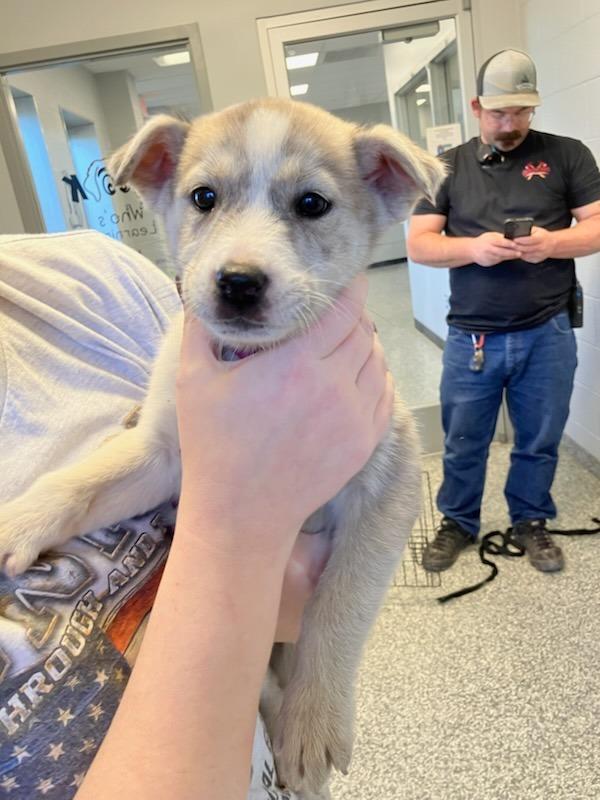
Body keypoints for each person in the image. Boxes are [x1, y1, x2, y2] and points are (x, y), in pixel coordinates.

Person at [0, 230, 393, 799]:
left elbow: (164, 454)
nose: (244, 256)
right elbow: (159, 454)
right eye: (207, 199)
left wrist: (323, 672)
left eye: (309, 207)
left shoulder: (90, 276)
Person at [407, 49, 600, 574]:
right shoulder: (447, 166)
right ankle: (458, 522)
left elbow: (596, 225)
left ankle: (530, 519)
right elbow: (420, 244)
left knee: (539, 437)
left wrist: (551, 244)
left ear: (533, 108)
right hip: (474, 337)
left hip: (548, 331)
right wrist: (474, 248)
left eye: (520, 112)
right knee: (464, 440)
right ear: (476, 106)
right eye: (498, 113)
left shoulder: (567, 156)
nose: (510, 124)